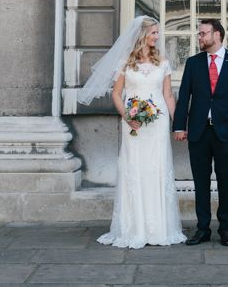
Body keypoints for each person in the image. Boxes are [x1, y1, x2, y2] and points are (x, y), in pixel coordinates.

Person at [78, 15, 186, 249]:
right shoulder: (125, 63)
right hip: (133, 124)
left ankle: (159, 228)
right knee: (135, 169)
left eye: (158, 33)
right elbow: (116, 94)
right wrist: (127, 116)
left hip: (157, 124)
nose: (158, 37)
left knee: (156, 169)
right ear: (142, 35)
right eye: (154, 33)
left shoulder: (163, 62)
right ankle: (133, 228)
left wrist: (178, 123)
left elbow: (168, 95)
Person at [173, 18, 228, 247]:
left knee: (226, 182)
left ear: (217, 35)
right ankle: (202, 228)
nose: (200, 37)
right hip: (198, 132)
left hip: (227, 133)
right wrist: (179, 126)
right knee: (201, 182)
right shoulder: (193, 63)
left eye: (203, 33)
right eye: (199, 34)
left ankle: (225, 229)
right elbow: (184, 96)